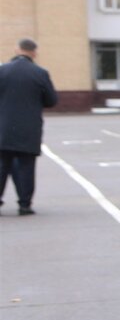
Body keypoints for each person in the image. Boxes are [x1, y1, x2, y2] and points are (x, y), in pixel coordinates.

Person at [0, 37, 57, 216]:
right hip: (29, 129)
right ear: (34, 52)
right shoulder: (40, 73)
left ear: (16, 49)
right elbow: (51, 100)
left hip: (3, 127)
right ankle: (25, 204)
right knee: (26, 166)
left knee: (1, 165)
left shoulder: (2, 71)